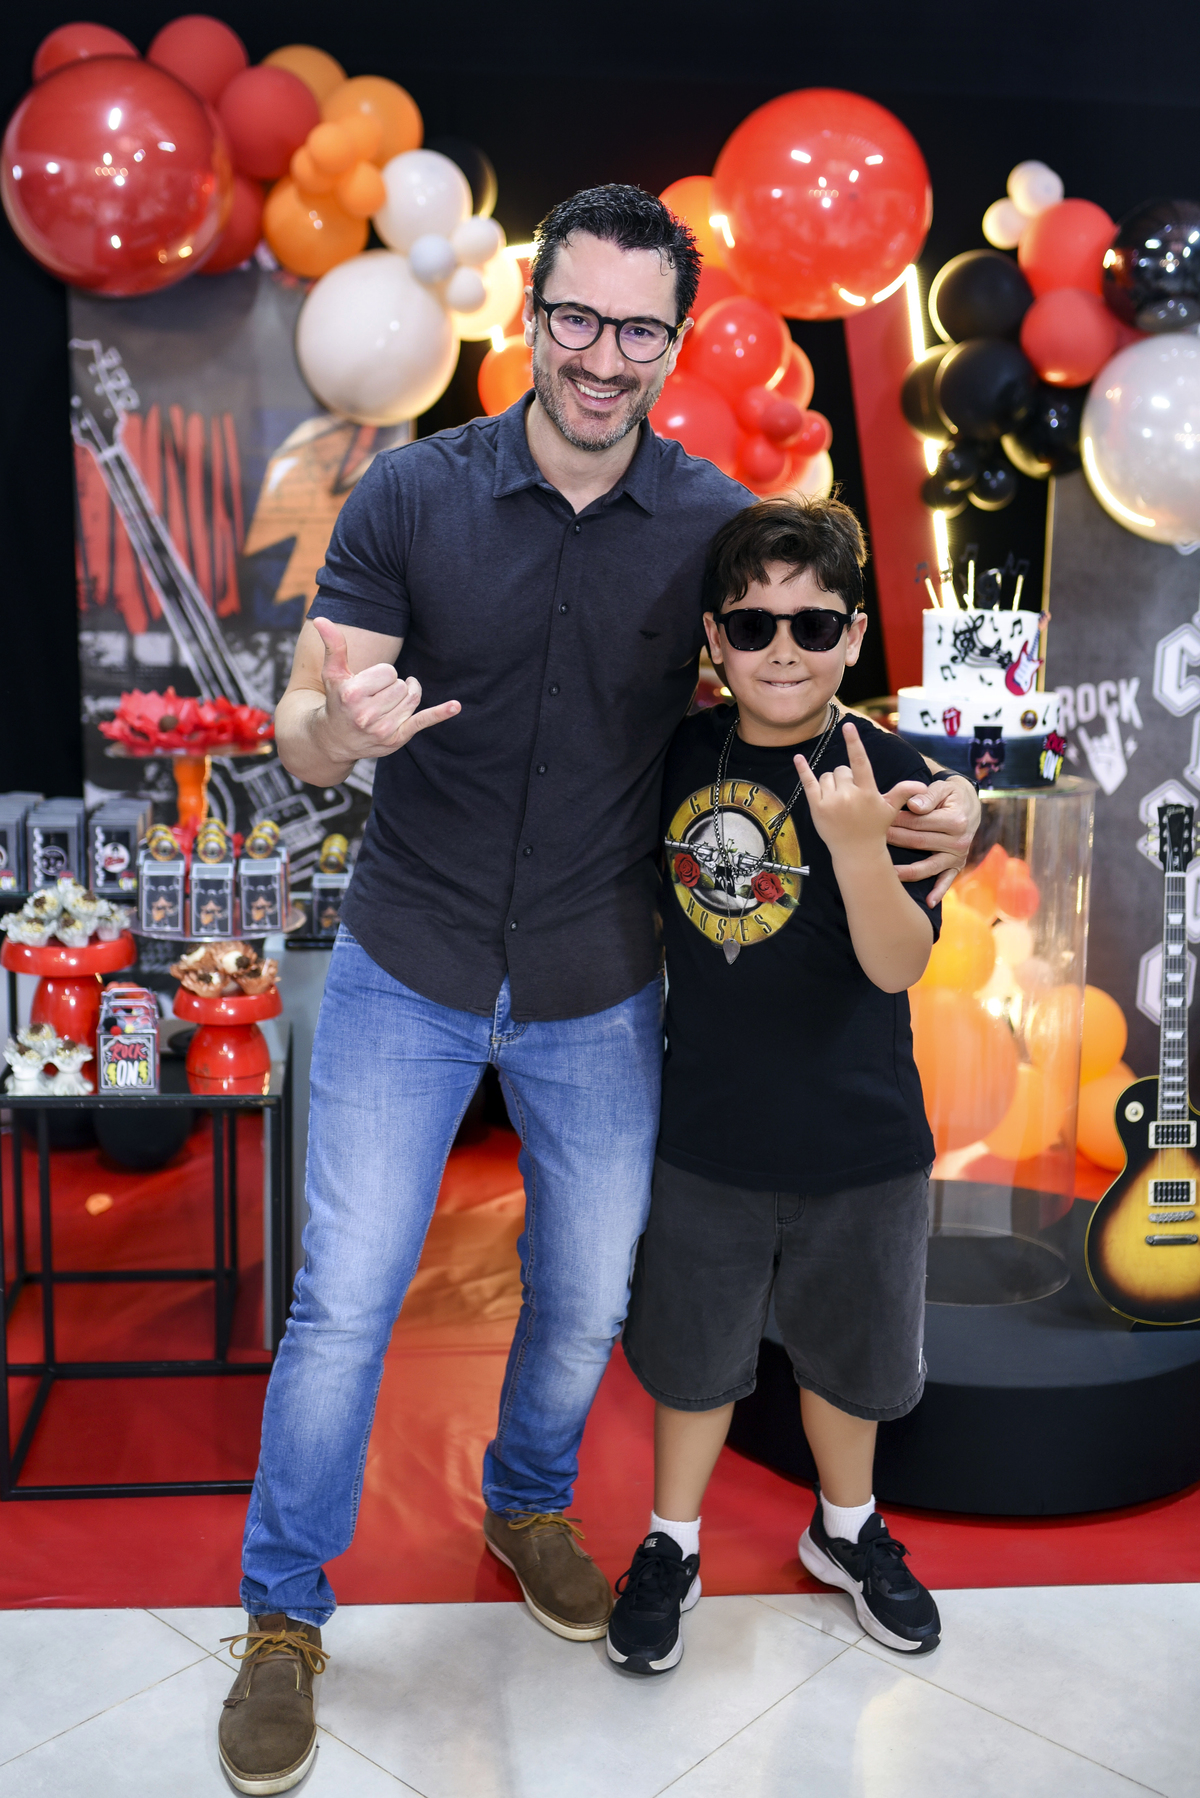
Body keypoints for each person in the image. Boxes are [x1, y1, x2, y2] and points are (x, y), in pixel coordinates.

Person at [217, 186, 976, 1794]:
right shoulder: (412, 493)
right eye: (577, 316)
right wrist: (335, 732)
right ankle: (283, 1612)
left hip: (597, 979)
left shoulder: (710, 521)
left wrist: (950, 799)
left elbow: (802, 672)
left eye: (640, 328)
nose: (604, 355)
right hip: (408, 960)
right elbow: (304, 720)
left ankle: (526, 1502)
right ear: (530, 314)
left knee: (582, 1303)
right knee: (346, 1299)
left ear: (674, 343)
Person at [607, 495, 943, 1677]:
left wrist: (857, 843)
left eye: (814, 624)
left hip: (863, 1139)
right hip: (708, 1135)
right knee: (692, 1359)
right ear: (715, 638)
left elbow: (899, 962)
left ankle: (846, 1528)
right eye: (753, 626)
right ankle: (672, 1540)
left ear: (855, 635)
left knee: (850, 1363)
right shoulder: (677, 756)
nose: (783, 650)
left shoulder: (892, 771)